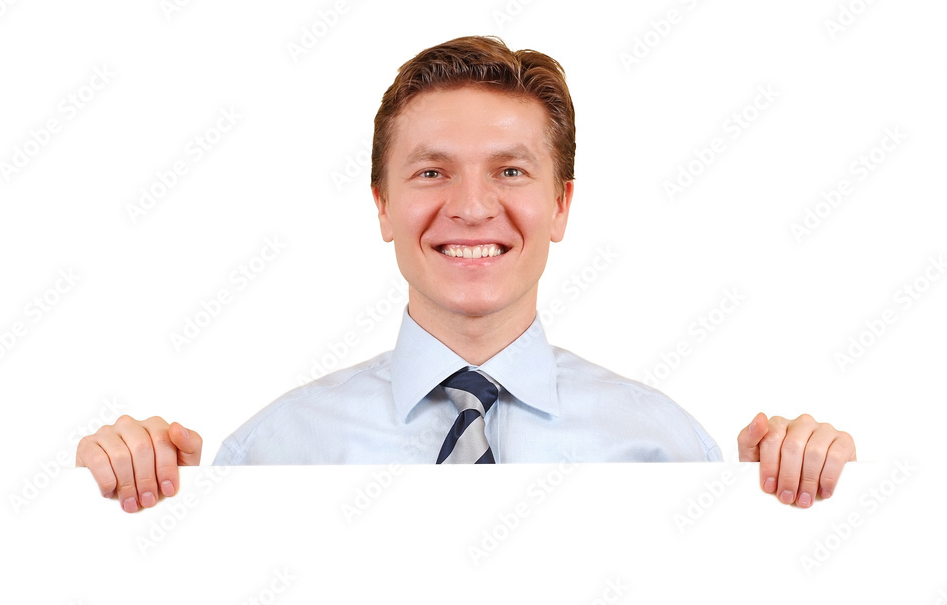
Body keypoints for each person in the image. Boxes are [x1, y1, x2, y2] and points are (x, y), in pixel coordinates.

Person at [75, 36, 856, 513]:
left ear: (561, 204)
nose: (473, 207)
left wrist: (801, 501)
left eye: (511, 171)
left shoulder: (665, 451)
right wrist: (105, 496)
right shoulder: (275, 451)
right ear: (382, 207)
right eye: (431, 173)